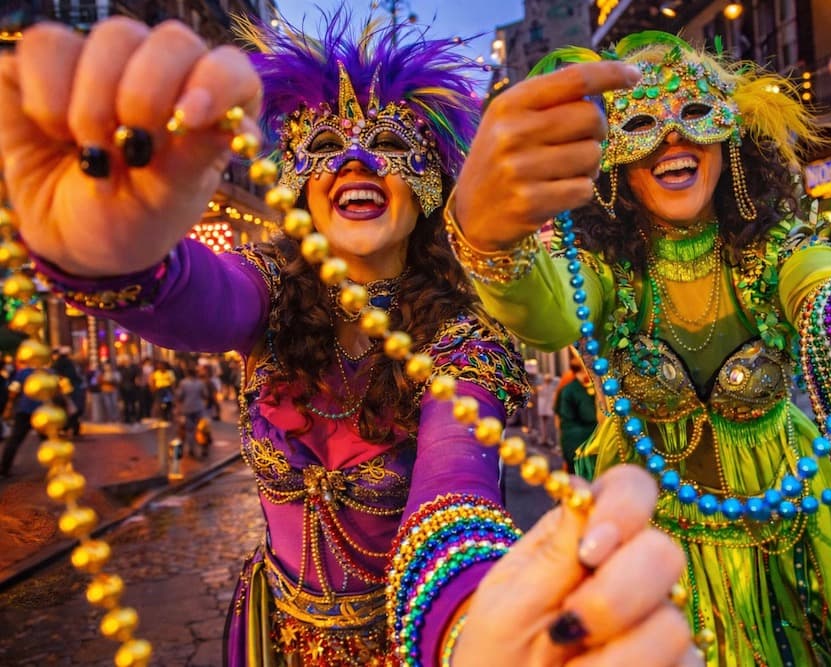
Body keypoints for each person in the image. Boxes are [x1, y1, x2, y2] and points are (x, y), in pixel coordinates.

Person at [0, 13, 697, 666]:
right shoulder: (268, 289)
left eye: (390, 144)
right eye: (326, 146)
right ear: (300, 183)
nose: (357, 163)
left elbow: (455, 491)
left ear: (429, 184)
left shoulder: (464, 339)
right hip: (271, 637)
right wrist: (114, 253)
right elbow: (198, 298)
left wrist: (473, 622)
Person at [451, 32, 831, 666]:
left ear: (728, 141)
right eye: (641, 123)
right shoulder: (603, 271)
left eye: (693, 115)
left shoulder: (777, 253)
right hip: (654, 545)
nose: (672, 139)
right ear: (614, 161)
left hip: (790, 544)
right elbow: (547, 319)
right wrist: (492, 240)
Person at [553, 357, 598, 474]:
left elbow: (558, 415)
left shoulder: (566, 387)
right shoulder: (577, 389)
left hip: (570, 442)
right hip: (583, 443)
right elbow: (589, 415)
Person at [534, 371, 558, 447]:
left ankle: (547, 439)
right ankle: (544, 438)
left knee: (548, 424)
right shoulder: (542, 387)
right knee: (543, 424)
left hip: (548, 407)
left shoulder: (551, 387)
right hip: (543, 407)